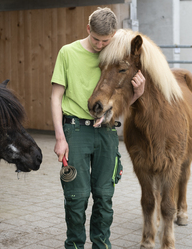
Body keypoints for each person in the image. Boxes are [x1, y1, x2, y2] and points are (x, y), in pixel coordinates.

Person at [50, 7, 145, 249]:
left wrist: (138, 94)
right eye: (96, 39)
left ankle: (102, 245)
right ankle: (74, 245)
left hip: (106, 133)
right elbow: (56, 96)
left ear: (113, 36)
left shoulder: (114, 56)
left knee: (104, 196)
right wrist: (60, 137)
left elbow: (118, 101)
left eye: (106, 40)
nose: (101, 45)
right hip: (76, 131)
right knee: (76, 196)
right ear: (88, 29)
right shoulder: (68, 53)